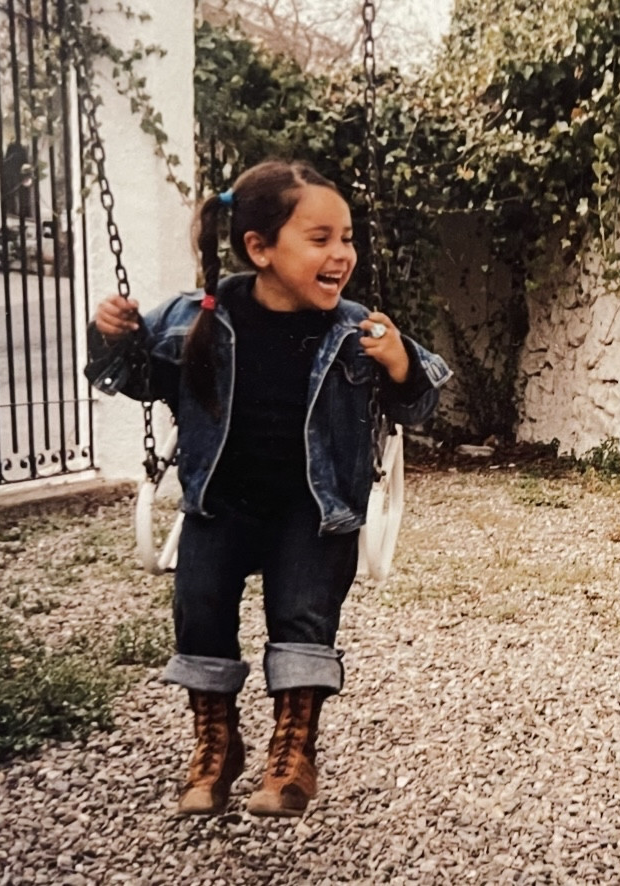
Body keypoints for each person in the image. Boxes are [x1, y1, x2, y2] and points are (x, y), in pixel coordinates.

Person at [85, 160, 452, 817]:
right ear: (260, 248)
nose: (341, 254)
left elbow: (417, 401)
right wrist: (111, 333)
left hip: (314, 510)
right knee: (200, 613)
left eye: (347, 238)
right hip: (220, 504)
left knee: (303, 616)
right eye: (320, 239)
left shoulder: (357, 329)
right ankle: (216, 743)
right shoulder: (198, 316)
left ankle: (293, 752)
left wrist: (400, 364)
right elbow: (136, 375)